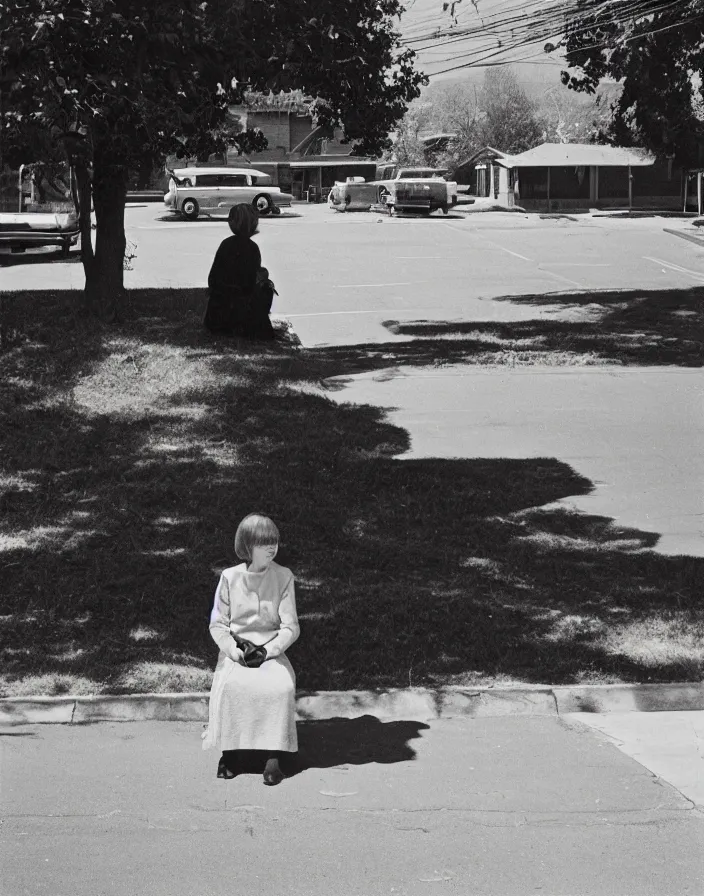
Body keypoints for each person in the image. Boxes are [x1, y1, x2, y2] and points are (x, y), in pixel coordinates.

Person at [202, 513, 299, 786]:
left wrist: (269, 651)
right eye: (263, 543)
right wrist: (234, 651)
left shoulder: (284, 577)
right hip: (238, 649)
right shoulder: (229, 578)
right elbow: (218, 624)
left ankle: (274, 757)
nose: (271, 549)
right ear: (247, 546)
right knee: (233, 686)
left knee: (280, 686)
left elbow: (291, 626)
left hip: (271, 650)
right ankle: (231, 754)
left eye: (274, 543)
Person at [203, 203, 275, 339]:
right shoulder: (252, 248)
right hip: (240, 313)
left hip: (217, 315)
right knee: (267, 288)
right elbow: (248, 285)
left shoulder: (226, 244)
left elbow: (212, 279)